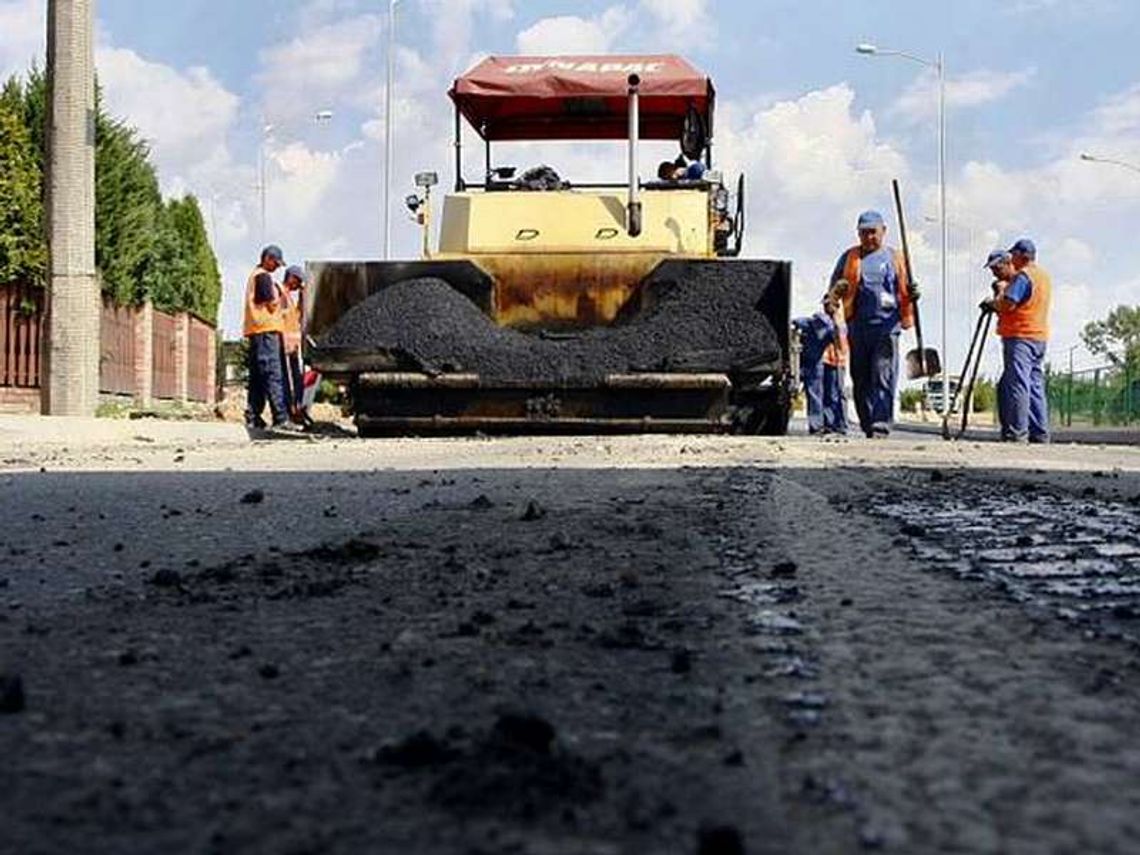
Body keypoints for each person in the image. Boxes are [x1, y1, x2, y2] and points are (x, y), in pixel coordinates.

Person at [831, 210, 915, 438]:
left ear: (883, 231)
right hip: (858, 327)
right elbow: (834, 289)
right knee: (861, 378)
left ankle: (880, 425)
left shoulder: (895, 258)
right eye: (863, 233)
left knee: (883, 375)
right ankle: (868, 422)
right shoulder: (850, 257)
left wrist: (914, 294)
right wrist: (832, 299)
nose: (868, 238)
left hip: (887, 327)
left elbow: (906, 287)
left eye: (872, 232)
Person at [984, 240, 1052, 443]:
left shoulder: (1024, 276)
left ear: (1020, 256)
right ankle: (1039, 433)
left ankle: (1017, 432)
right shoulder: (1043, 276)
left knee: (1018, 384)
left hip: (1020, 336)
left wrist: (994, 302)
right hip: (1038, 336)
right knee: (1033, 384)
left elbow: (1009, 304)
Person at [243, 245, 298, 433]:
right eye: (276, 263)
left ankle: (253, 417)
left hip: (258, 331)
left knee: (258, 377)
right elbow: (271, 303)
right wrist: (278, 301)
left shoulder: (256, 275)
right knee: (273, 375)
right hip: (266, 331)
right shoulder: (263, 276)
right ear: (267, 258)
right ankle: (280, 418)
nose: (277, 267)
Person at [793, 294, 848, 435]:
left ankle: (832, 425)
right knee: (820, 394)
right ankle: (821, 425)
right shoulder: (818, 320)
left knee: (832, 395)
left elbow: (841, 345)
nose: (826, 307)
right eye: (825, 304)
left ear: (836, 306)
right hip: (819, 362)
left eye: (828, 304)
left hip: (833, 362)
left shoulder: (839, 324)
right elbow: (797, 322)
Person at [280, 265, 309, 425]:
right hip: (285, 347)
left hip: (293, 348)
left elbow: (299, 314)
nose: (298, 284)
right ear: (291, 277)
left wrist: (303, 294)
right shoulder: (281, 294)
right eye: (297, 281)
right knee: (288, 381)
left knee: (297, 381)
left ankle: (296, 411)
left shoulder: (289, 297)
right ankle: (289, 413)